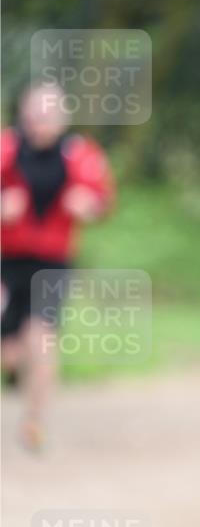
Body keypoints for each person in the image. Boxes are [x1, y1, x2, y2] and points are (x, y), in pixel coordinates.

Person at [1, 81, 115, 449]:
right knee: (12, 352)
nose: (41, 123)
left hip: (52, 263)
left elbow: (102, 200)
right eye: (35, 115)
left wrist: (89, 206)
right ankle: (16, 371)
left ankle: (34, 422)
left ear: (64, 119)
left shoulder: (79, 154)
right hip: (7, 260)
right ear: (23, 114)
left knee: (43, 337)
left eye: (49, 116)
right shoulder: (6, 148)